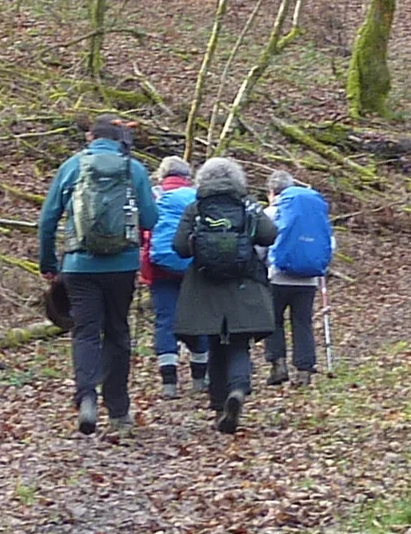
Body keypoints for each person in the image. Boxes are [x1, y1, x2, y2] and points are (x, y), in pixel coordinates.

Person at [38, 114, 158, 436]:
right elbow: (150, 218)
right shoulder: (133, 168)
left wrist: (49, 263)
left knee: (86, 331)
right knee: (117, 332)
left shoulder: (73, 166)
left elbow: (48, 219)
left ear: (90, 137)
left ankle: (87, 398)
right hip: (122, 266)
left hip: (79, 265)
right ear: (119, 139)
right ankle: (118, 412)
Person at [173, 157, 278, 433]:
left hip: (205, 286)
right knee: (239, 344)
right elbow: (269, 235)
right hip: (243, 285)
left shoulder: (196, 208)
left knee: (215, 346)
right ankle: (238, 391)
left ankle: (220, 406)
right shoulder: (247, 206)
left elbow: (180, 247)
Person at [143, 157, 210, 399]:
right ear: (187, 177)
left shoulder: (154, 197)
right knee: (199, 318)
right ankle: (199, 378)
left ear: (162, 176)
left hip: (161, 268)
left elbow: (143, 230)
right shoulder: (198, 197)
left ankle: (169, 383)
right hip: (195, 267)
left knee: (165, 321)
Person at [264, 171, 334, 388]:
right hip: (308, 279)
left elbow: (261, 243)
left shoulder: (272, 211)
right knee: (302, 322)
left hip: (277, 276)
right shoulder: (314, 213)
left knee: (273, 321)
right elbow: (330, 243)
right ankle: (304, 370)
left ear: (272, 192)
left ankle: (278, 364)